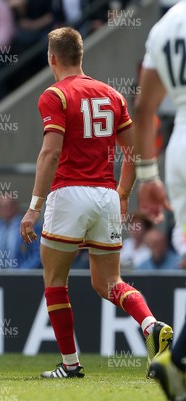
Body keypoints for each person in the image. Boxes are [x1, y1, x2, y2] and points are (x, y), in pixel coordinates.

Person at [19, 26, 173, 379]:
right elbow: (133, 152)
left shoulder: (54, 95)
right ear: (81, 55)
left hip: (68, 193)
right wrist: (122, 194)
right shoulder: (113, 95)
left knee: (56, 281)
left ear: (51, 57)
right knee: (109, 282)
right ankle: (150, 326)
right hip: (105, 194)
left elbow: (50, 152)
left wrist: (34, 206)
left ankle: (70, 364)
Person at [132, 2, 186, 399]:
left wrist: (148, 176)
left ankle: (179, 366)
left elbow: (144, 107)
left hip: (177, 149)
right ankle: (178, 360)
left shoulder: (165, 24)